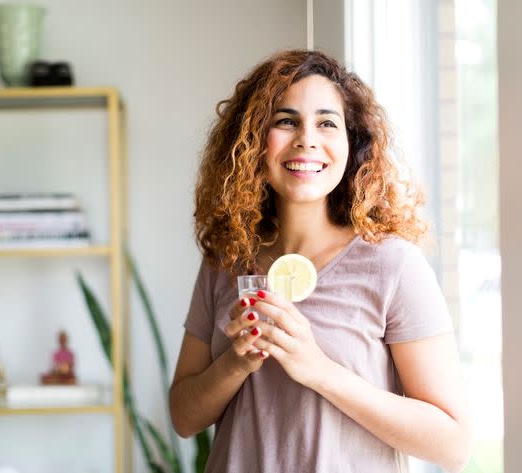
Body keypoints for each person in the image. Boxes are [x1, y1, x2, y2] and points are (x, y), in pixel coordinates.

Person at [169, 50, 471, 473]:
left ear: (353, 142)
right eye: (285, 120)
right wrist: (235, 363)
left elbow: (452, 444)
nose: (306, 138)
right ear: (254, 140)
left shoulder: (393, 265)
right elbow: (184, 417)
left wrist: (318, 370)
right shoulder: (226, 260)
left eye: (327, 122)